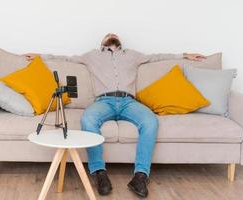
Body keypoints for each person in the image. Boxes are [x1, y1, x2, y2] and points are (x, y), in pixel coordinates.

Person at [24, 33, 206, 197]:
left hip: (129, 102)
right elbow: (65, 58)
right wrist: (40, 56)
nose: (112, 35)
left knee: (150, 121)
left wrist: (184, 55)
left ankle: (140, 176)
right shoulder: (91, 56)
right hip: (103, 102)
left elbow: (156, 57)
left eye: (114, 35)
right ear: (102, 42)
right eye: (108, 35)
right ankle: (99, 173)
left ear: (119, 42)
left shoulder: (133, 55)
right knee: (87, 119)